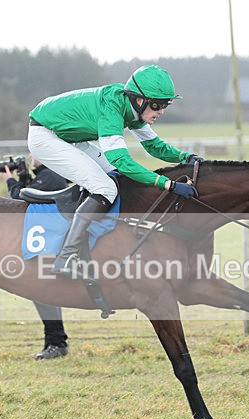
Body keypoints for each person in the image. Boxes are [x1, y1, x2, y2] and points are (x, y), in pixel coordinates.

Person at [27, 64, 203, 280]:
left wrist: (185, 157)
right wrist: (168, 184)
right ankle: (66, 257)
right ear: (140, 100)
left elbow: (153, 146)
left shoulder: (132, 109)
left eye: (165, 105)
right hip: (46, 136)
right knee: (105, 188)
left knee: (116, 180)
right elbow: (121, 160)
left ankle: (101, 238)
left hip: (68, 136)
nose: (161, 111)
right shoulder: (112, 108)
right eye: (157, 105)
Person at [2, 158, 70, 360]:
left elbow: (19, 199)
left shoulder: (51, 174)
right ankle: (55, 342)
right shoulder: (46, 174)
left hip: (47, 241)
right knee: (41, 294)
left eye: (35, 153)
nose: (33, 157)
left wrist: (10, 180)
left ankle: (57, 342)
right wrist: (24, 178)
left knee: (43, 293)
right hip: (45, 239)